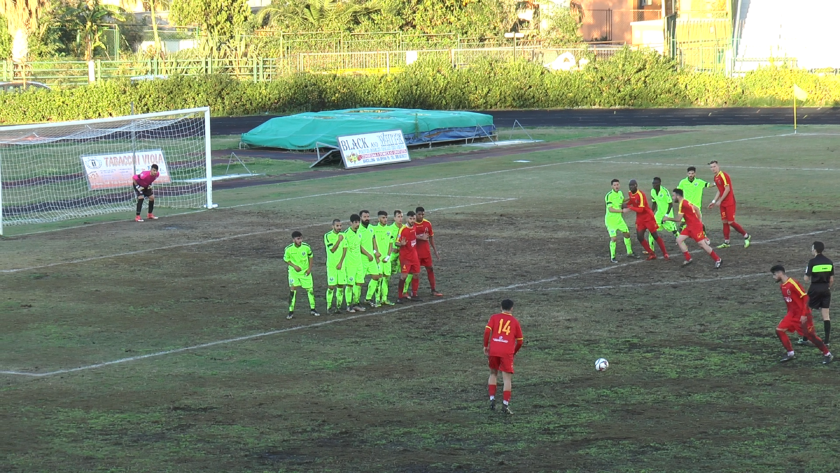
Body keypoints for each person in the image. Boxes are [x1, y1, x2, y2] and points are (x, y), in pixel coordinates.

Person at [772, 265, 833, 364]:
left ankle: (827, 354)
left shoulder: (792, 283)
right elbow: (790, 303)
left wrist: (804, 314)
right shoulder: (782, 286)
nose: (773, 277)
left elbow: (806, 298)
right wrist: (789, 315)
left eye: (774, 274)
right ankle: (790, 353)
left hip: (803, 315)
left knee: (811, 336)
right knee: (779, 330)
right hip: (792, 315)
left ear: (780, 273)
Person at [663, 189, 721, 268]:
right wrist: (700, 220)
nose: (673, 198)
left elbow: (678, 219)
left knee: (702, 244)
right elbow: (696, 208)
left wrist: (667, 219)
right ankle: (688, 258)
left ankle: (718, 259)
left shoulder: (682, 204)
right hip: (689, 226)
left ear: (678, 196)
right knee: (679, 240)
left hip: (695, 227)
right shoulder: (685, 202)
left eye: (673, 195)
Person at [484, 299, 523, 415]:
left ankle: (492, 399)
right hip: (506, 352)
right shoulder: (515, 322)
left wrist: (486, 346)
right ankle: (505, 405)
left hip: (494, 350)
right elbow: (520, 341)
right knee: (507, 379)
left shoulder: (494, 317)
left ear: (501, 307)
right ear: (512, 308)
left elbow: (487, 331)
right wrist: (513, 352)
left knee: (493, 374)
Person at [623, 179, 670, 261]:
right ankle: (652, 254)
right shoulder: (630, 193)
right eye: (629, 186)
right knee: (640, 237)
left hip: (648, 217)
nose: (631, 187)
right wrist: (626, 204)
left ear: (636, 185)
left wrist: (629, 207)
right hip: (640, 219)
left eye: (632, 185)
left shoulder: (641, 194)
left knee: (655, 236)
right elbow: (632, 200)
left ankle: (665, 253)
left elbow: (641, 209)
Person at [708, 160, 751, 249]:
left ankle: (746, 235)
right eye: (711, 167)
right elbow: (720, 190)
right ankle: (726, 242)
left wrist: (720, 201)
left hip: (729, 202)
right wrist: (713, 201)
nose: (713, 168)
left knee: (731, 222)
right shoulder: (715, 177)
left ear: (718, 166)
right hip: (723, 203)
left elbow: (727, 189)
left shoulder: (724, 175)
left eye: (714, 166)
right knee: (724, 222)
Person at [802, 241, 834, 345]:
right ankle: (826, 341)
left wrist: (806, 272)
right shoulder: (829, 262)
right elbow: (831, 280)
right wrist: (826, 287)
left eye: (812, 248)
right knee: (826, 315)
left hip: (814, 289)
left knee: (807, 313)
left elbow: (806, 279)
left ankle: (805, 339)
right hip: (825, 289)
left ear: (815, 249)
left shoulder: (812, 262)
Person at [284, 231, 319, 319]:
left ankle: (313, 309)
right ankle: (290, 311)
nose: (300, 240)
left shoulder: (306, 247)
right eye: (298, 239)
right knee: (293, 289)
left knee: (310, 290)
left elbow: (311, 257)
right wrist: (294, 266)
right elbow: (286, 259)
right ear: (293, 240)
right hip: (294, 273)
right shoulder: (288, 249)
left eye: (301, 238)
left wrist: (309, 269)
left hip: (305, 272)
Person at [604, 179, 636, 263]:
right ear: (612, 186)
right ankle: (613, 257)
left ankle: (629, 252)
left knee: (627, 234)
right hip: (611, 221)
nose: (616, 186)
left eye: (617, 184)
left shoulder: (620, 193)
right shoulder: (609, 195)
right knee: (614, 239)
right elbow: (610, 209)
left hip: (619, 220)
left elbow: (622, 201)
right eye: (614, 185)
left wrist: (631, 198)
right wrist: (622, 211)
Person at [413, 207, 443, 297]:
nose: (421, 216)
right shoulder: (412, 224)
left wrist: (435, 251)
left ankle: (433, 290)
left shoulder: (427, 224)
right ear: (415, 214)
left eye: (422, 214)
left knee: (430, 269)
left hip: (426, 252)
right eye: (419, 214)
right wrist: (420, 237)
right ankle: (414, 292)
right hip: (415, 253)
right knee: (415, 273)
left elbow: (431, 237)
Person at [372, 211, 397, 306]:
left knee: (386, 278)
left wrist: (388, 256)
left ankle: (385, 299)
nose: (385, 219)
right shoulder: (374, 229)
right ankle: (377, 299)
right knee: (378, 279)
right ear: (378, 219)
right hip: (378, 259)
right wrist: (375, 253)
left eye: (386, 217)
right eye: (383, 218)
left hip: (386, 260)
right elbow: (372, 243)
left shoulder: (389, 229)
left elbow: (391, 244)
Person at [396, 211, 421, 303]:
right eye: (411, 218)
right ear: (407, 219)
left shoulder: (414, 226)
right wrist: (401, 244)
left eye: (414, 218)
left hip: (414, 256)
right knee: (404, 276)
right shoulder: (402, 229)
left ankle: (414, 294)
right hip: (405, 257)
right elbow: (396, 242)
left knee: (416, 274)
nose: (412, 220)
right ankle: (400, 296)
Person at [343, 214, 366, 313]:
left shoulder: (360, 233)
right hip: (350, 264)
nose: (357, 224)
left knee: (359, 283)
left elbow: (359, 247)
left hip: (359, 262)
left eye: (358, 222)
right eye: (355, 222)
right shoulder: (346, 234)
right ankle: (349, 305)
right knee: (350, 285)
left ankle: (356, 303)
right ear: (351, 223)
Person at [359, 210, 383, 308]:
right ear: (360, 218)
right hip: (362, 259)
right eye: (365, 217)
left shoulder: (371, 228)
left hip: (371, 258)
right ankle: (355, 301)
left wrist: (375, 253)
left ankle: (367, 298)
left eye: (368, 216)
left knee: (376, 277)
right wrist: (368, 254)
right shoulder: (358, 229)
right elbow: (358, 245)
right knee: (359, 281)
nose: (367, 218)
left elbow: (374, 241)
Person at [323, 219, 348, 315]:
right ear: (332, 226)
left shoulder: (343, 235)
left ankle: (338, 307)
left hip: (341, 265)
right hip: (332, 265)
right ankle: (329, 307)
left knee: (341, 285)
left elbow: (345, 249)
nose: (339, 228)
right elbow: (332, 249)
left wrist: (341, 262)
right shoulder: (327, 236)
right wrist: (339, 240)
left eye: (340, 226)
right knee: (331, 286)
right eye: (337, 226)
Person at [648, 177, 679, 252]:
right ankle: (651, 250)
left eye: (655, 183)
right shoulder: (652, 191)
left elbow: (670, 204)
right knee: (651, 230)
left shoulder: (665, 191)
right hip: (659, 214)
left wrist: (667, 216)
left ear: (659, 183)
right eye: (653, 183)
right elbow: (654, 203)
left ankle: (682, 242)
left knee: (673, 230)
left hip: (667, 213)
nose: (654, 185)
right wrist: (651, 213)